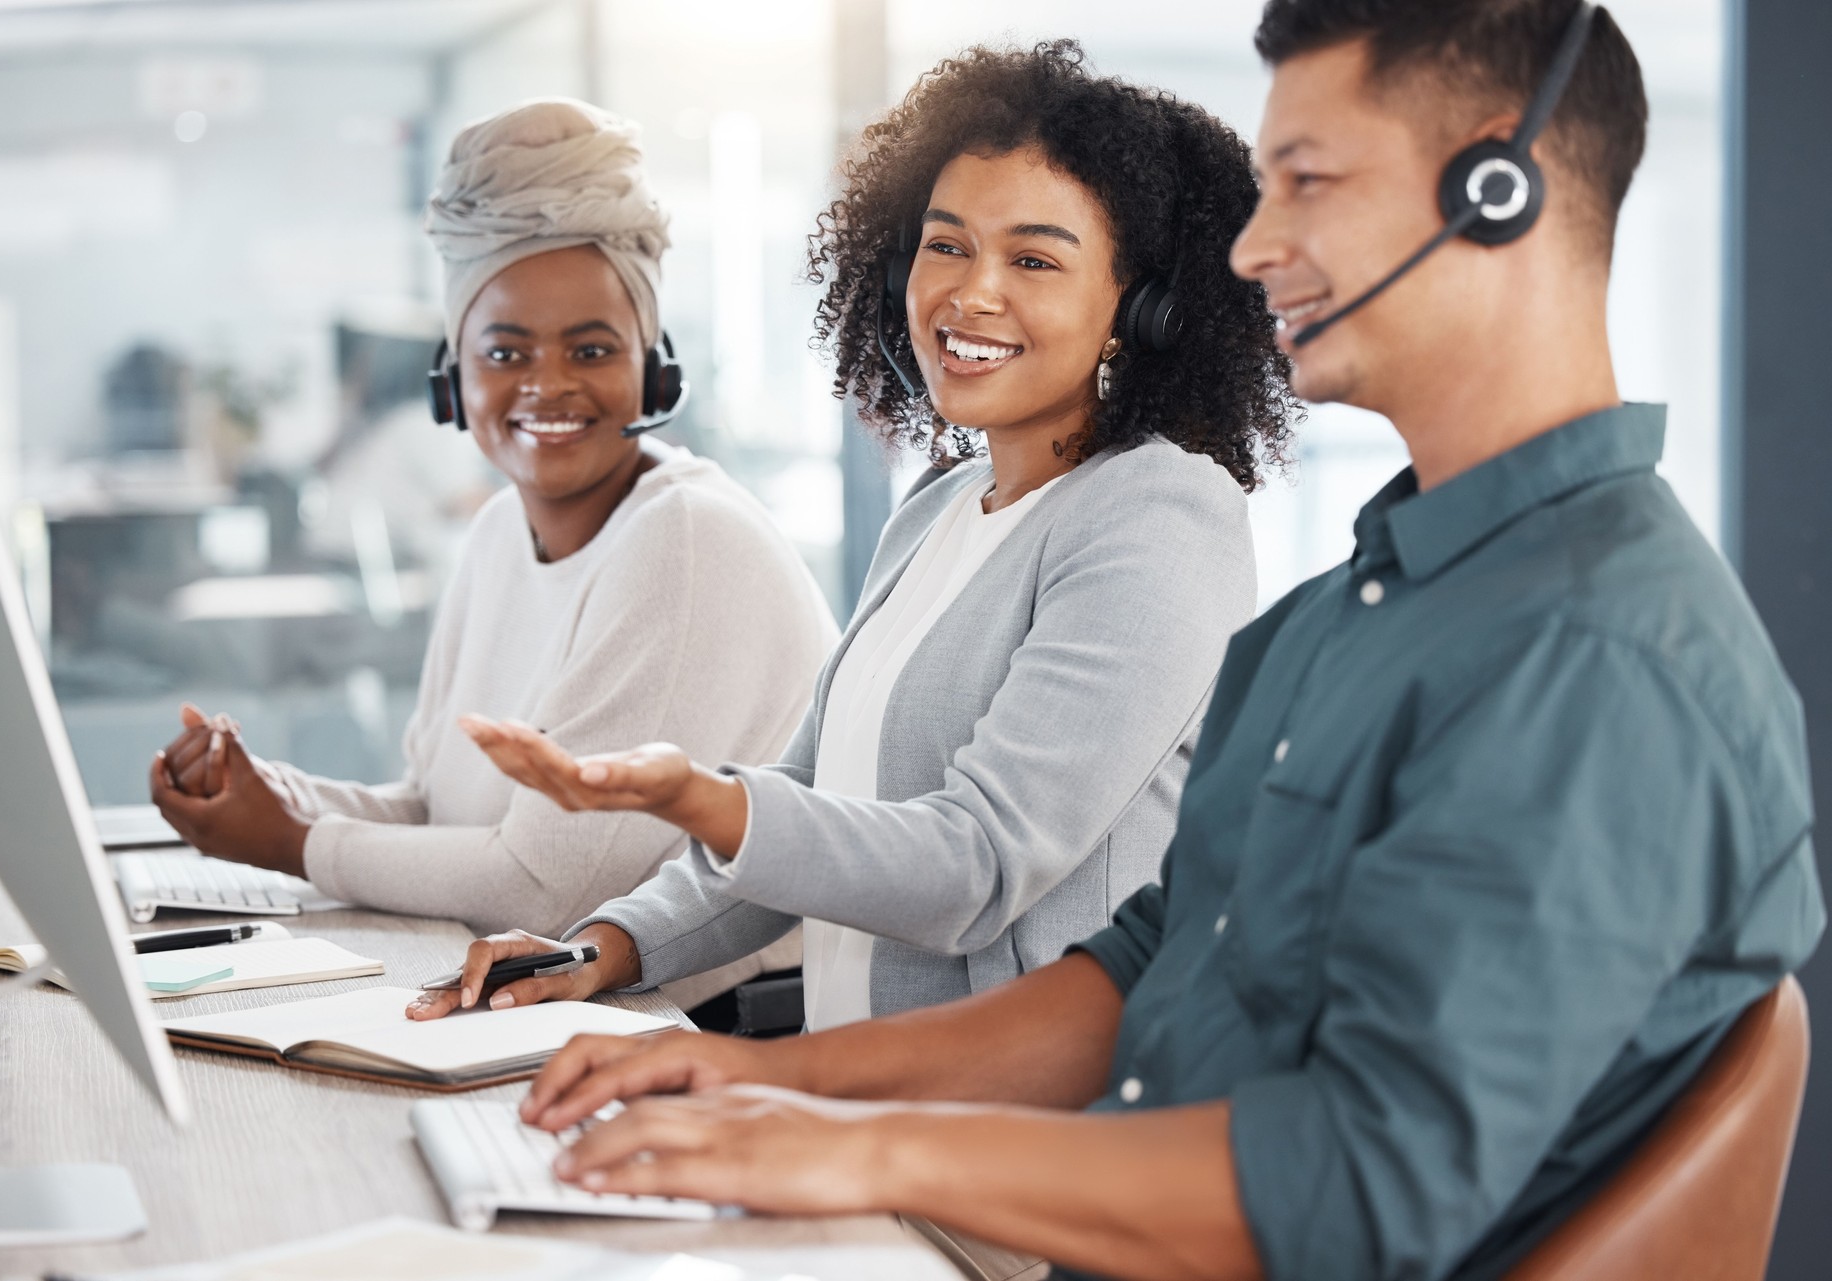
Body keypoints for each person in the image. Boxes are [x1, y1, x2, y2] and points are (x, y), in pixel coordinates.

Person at [438, 7, 1824, 1281]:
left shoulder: (1588, 658)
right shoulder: (1362, 603)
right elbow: (1150, 962)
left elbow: (1366, 1189)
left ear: (1494, 192)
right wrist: (778, 1088)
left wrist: (854, 1142)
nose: (1250, 244)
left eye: (1310, 182)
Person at [410, 43, 1292, 1029]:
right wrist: (604, 947)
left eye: (1034, 259)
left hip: (1019, 1143)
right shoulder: (940, 508)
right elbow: (806, 817)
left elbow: (976, 863)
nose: (972, 293)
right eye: (947, 244)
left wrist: (699, 798)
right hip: (861, 1119)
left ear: (1140, 313)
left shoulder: (1162, 515)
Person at [148, 100, 836, 1008]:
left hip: (703, 1033)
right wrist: (272, 794)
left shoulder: (685, 538)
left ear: (652, 366)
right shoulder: (495, 533)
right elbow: (437, 814)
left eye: (591, 349)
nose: (547, 385)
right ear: (454, 376)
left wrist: (290, 841)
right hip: (563, 1010)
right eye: (506, 351)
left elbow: (545, 891)